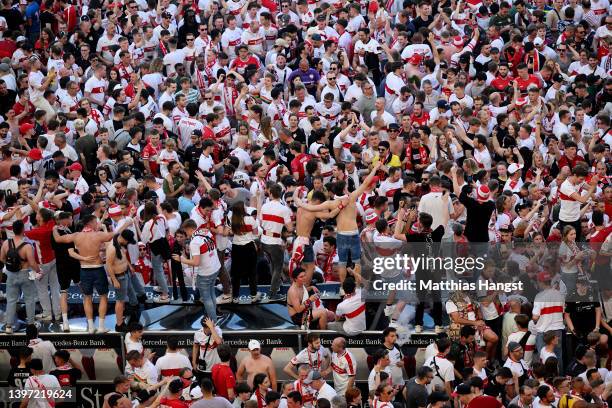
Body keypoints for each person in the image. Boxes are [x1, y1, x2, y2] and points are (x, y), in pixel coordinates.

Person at [54, 214, 132, 333]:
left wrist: (54, 229)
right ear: (90, 223)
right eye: (96, 222)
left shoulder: (76, 235)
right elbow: (115, 234)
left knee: (87, 298)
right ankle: (101, 326)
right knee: (103, 297)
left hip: (84, 270)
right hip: (98, 269)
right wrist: (126, 224)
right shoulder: (98, 235)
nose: (97, 224)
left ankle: (91, 327)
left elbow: (58, 239)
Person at [0, 220, 38, 333]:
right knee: (29, 299)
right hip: (26, 274)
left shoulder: (6, 243)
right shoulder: (27, 246)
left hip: (11, 275)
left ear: (12, 229)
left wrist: (11, 264)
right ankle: (31, 324)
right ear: (23, 230)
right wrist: (38, 271)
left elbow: (1, 258)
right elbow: (32, 263)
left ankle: (8, 326)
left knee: (11, 300)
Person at [105, 229, 137, 332]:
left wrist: (129, 266)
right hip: (119, 277)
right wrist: (114, 280)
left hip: (125, 274)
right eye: (128, 241)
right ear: (123, 238)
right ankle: (119, 325)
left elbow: (122, 257)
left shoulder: (119, 244)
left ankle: (122, 316)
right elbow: (108, 265)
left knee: (124, 299)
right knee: (119, 301)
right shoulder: (112, 248)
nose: (128, 243)